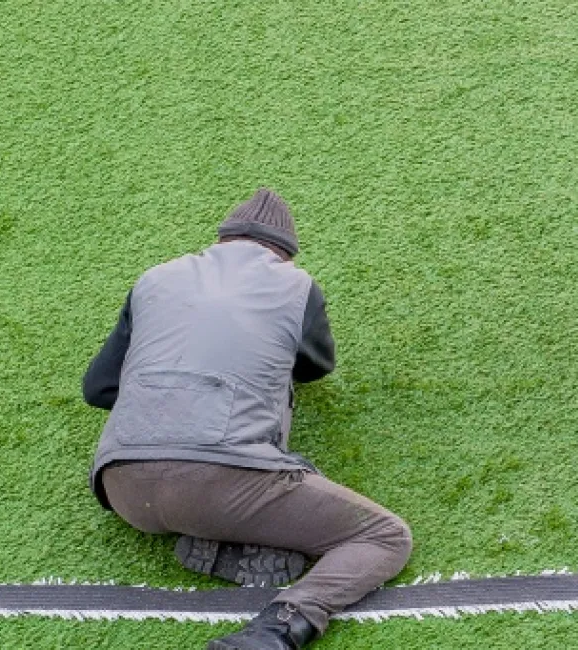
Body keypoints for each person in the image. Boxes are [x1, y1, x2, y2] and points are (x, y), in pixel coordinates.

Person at [82, 188, 412, 649]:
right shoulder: (297, 287)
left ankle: (219, 538)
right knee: (384, 536)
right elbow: (316, 366)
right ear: (285, 254)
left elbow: (96, 389)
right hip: (223, 480)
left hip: (123, 491)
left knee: (202, 494)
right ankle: (278, 630)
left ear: (221, 240)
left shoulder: (155, 278)